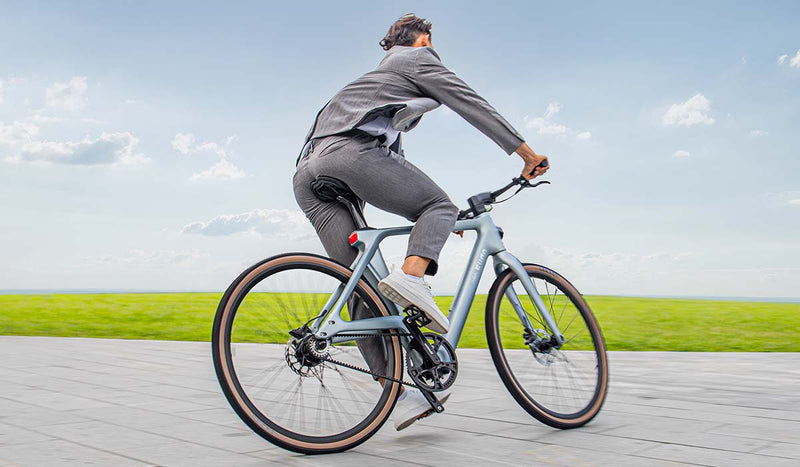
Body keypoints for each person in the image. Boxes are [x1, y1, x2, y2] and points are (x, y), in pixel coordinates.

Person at [293, 13, 549, 430]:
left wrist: (427, 232)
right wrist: (526, 154)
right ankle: (412, 278)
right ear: (422, 40)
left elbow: (394, 165)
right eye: (432, 43)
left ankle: (397, 395)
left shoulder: (373, 84)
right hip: (348, 156)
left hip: (308, 174)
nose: (435, 52)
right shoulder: (415, 59)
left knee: (360, 290)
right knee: (439, 206)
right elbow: (471, 102)